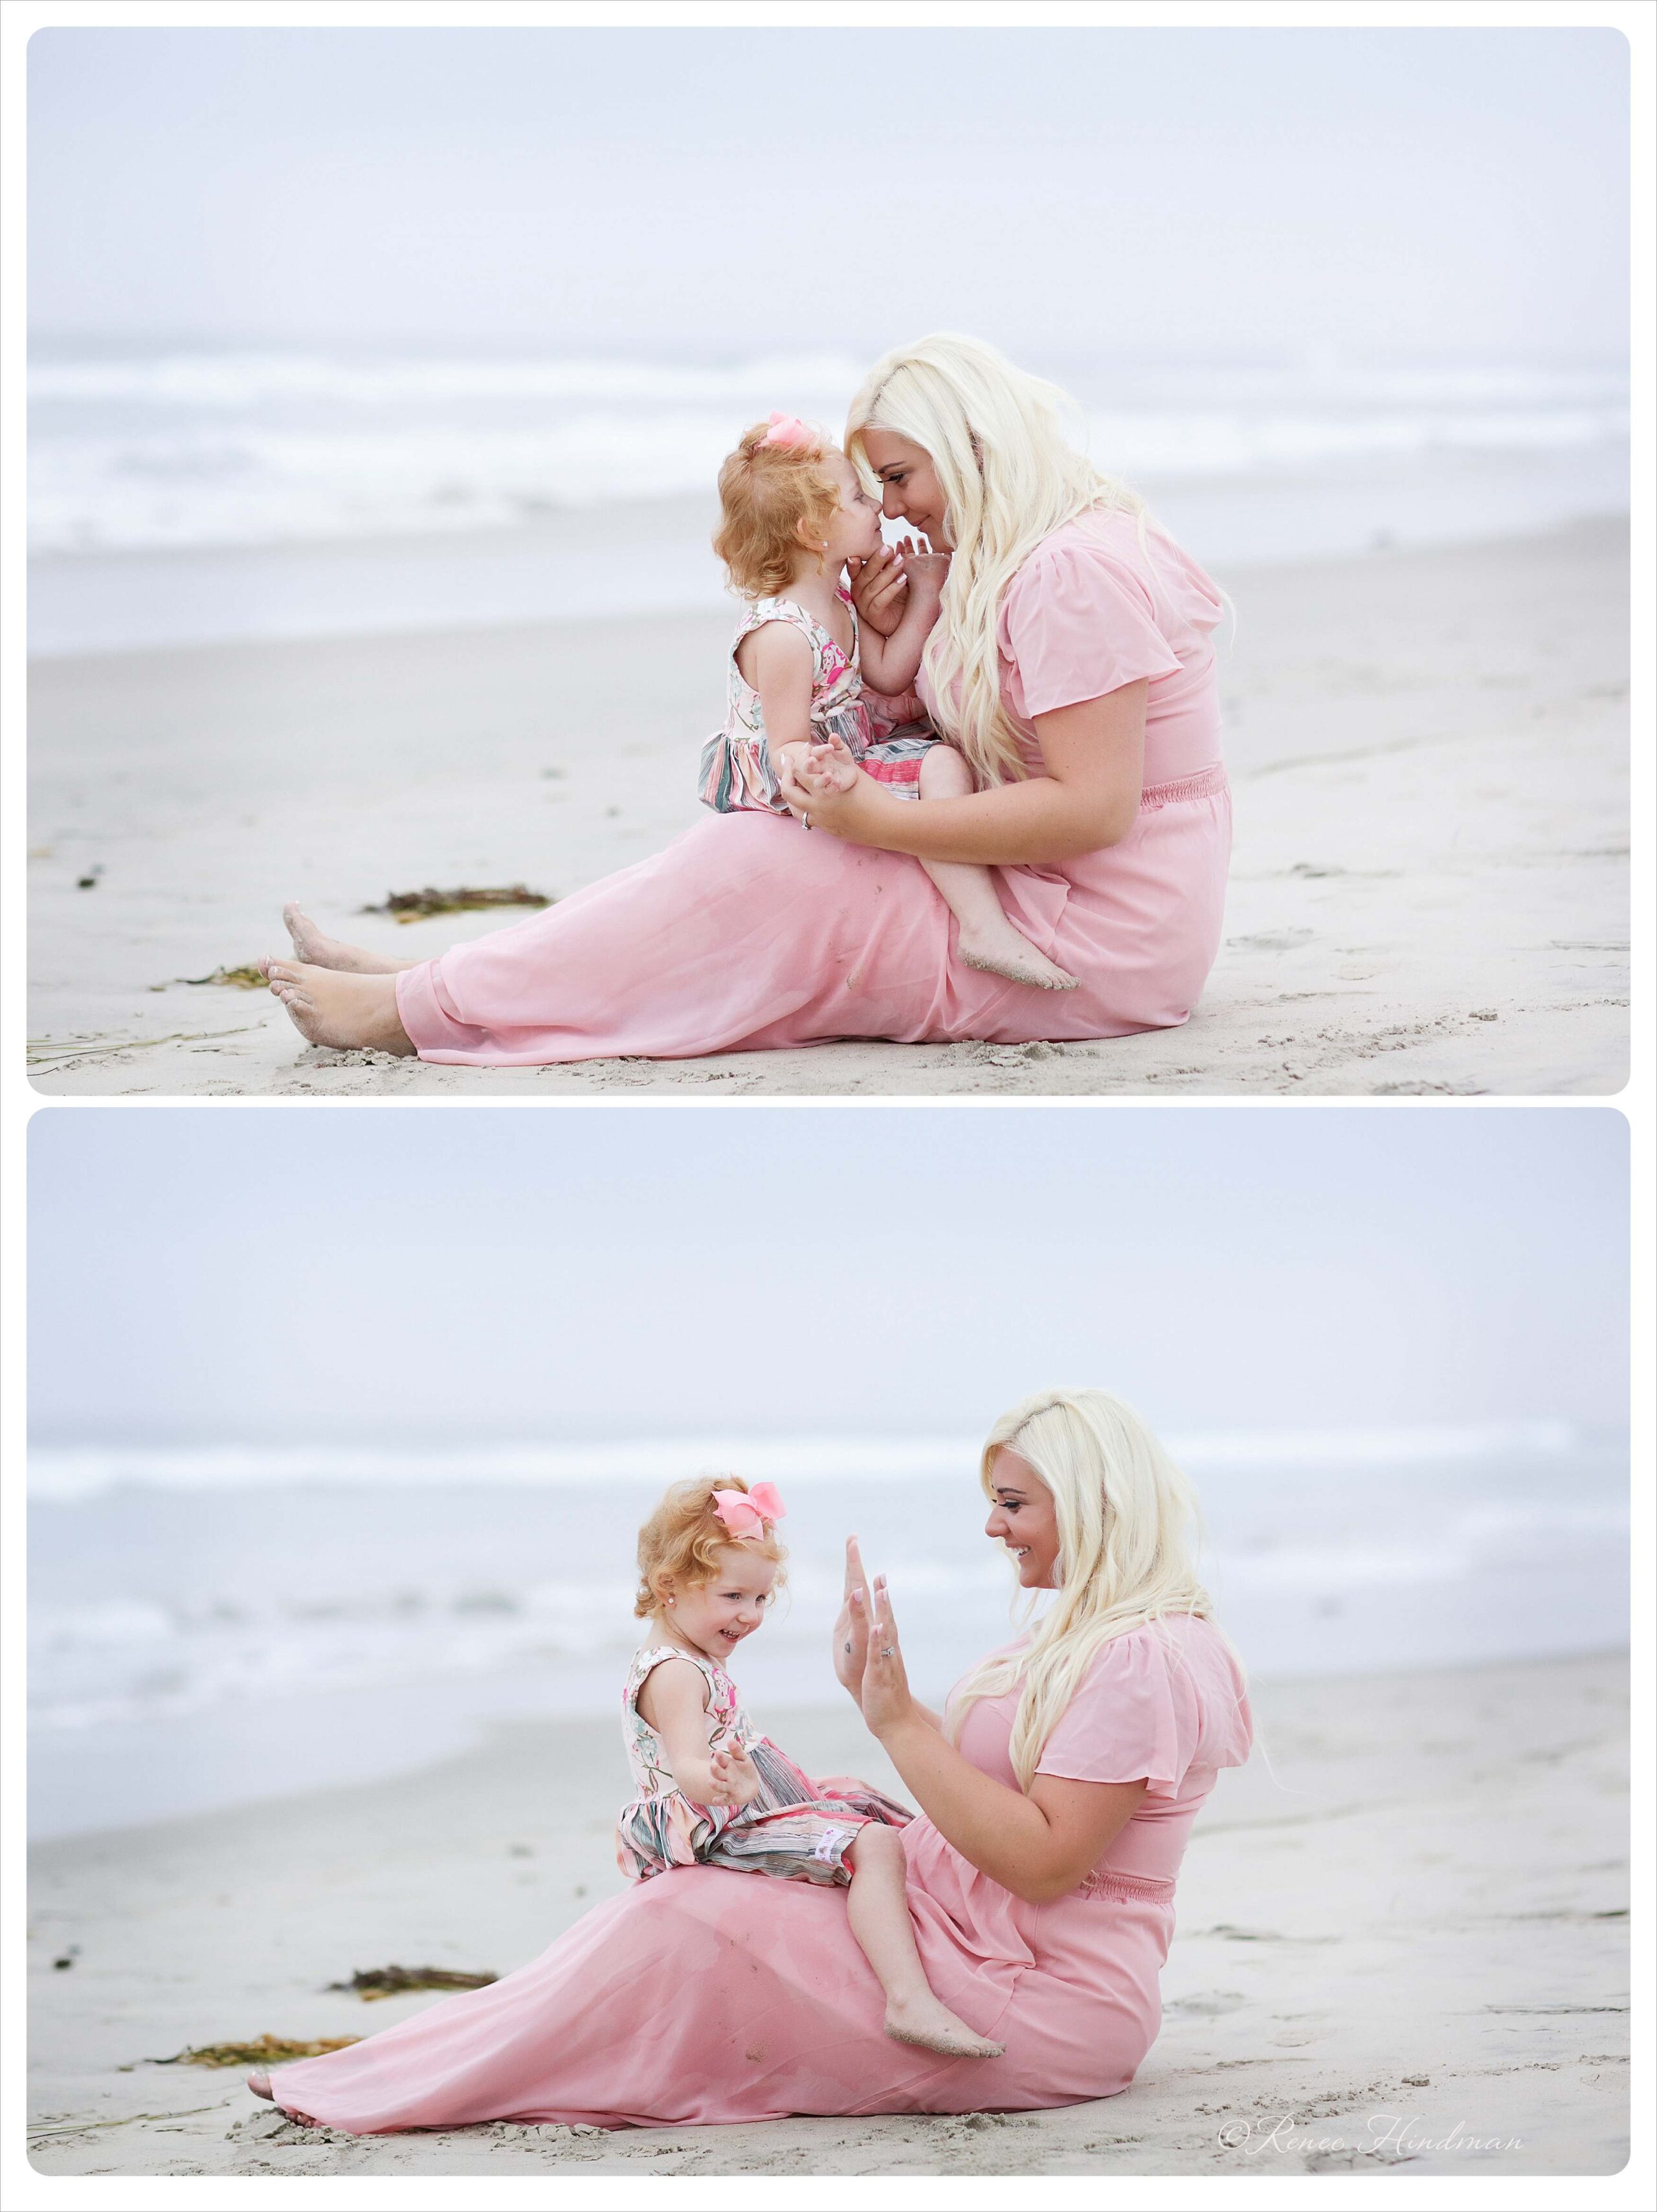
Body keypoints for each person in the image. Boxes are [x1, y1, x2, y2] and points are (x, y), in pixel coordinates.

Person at [248, 1389, 1251, 2133]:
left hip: (1039, 1989)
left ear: (1093, 1499)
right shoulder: (1076, 1634)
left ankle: (406, 2081)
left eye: (1014, 1503)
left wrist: (895, 1722)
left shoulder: (1136, 1655)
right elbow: (993, 1805)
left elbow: (1044, 1863)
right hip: (966, 1925)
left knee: (692, 1914)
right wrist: (880, 1734)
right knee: (685, 1902)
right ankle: (392, 2066)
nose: (992, 1525)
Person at [260, 334, 1230, 1066]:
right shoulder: (1010, 556)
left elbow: (1093, 808)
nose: (890, 507)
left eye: (897, 477)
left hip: (1099, 931)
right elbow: (959, 735)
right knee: (745, 859)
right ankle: (433, 982)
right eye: (876, 485)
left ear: (974, 444)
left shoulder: (1068, 572)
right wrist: (900, 645)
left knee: (753, 863)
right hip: (1057, 890)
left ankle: (416, 1007)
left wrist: (878, 821)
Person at [614, 1474, 1001, 2059]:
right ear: (670, 1586)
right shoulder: (674, 1674)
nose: (751, 1616)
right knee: (873, 1844)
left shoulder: (690, 1656)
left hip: (741, 1802)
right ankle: (908, 1998)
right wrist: (723, 1784)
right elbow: (689, 1766)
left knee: (857, 1795)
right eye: (733, 1597)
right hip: (718, 1826)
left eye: (761, 1598)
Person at [699, 412, 1075, 990]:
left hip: (845, 752)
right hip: (797, 781)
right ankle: (983, 928)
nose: (879, 507)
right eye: (856, 497)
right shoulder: (783, 635)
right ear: (811, 531)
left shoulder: (840, 598)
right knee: (942, 763)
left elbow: (889, 673)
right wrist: (824, 775)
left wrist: (926, 592)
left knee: (942, 749)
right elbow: (787, 746)